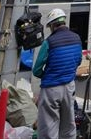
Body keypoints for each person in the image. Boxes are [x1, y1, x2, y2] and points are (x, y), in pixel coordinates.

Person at [33, 8, 82, 139]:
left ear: (52, 25)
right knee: (68, 125)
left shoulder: (49, 42)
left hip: (51, 89)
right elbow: (78, 61)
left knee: (48, 126)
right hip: (69, 87)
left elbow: (36, 70)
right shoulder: (77, 38)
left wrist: (49, 75)